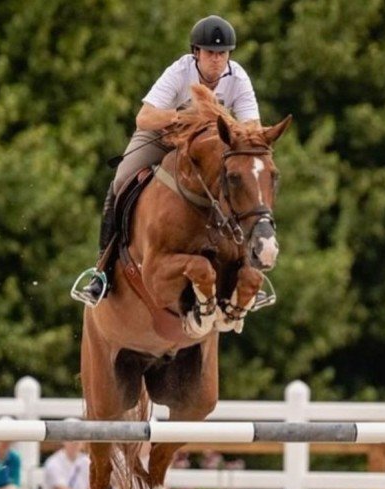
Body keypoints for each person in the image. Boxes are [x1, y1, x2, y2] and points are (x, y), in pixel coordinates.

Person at [74, 14, 261, 306]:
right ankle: (102, 271)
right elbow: (144, 118)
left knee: (248, 181)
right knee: (121, 178)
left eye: (222, 53)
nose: (216, 59)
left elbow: (252, 129)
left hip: (211, 146)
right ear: (196, 52)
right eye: (210, 52)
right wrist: (185, 118)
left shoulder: (237, 78)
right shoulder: (179, 71)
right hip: (163, 137)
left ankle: (248, 267)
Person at [40, 424, 91, 489]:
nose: (75, 442)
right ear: (64, 441)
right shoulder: (53, 463)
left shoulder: (87, 461)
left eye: (78, 438)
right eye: (71, 439)